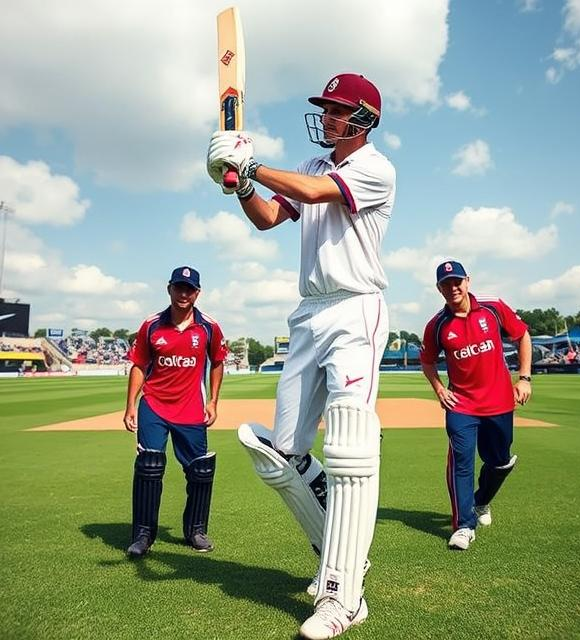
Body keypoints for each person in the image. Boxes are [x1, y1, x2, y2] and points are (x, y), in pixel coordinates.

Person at [206, 73, 395, 639]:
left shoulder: (375, 168)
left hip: (356, 307)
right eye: (326, 108)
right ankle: (342, 553)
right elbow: (268, 217)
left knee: (349, 444)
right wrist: (240, 184)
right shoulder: (311, 168)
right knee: (280, 455)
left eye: (338, 109)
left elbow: (317, 195)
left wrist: (251, 161)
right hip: (309, 314)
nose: (328, 117)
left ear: (364, 118)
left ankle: (342, 597)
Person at [420, 260, 532, 550]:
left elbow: (522, 336)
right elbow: (427, 360)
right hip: (462, 406)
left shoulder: (493, 308)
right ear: (439, 289)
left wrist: (524, 378)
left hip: (499, 402)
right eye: (446, 284)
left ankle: (482, 501)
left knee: (499, 461)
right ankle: (463, 526)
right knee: (462, 463)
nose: (452, 288)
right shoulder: (437, 325)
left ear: (468, 281)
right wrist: (440, 389)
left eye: (457, 281)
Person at [123, 266, 227, 557]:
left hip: (192, 407)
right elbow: (139, 365)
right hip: (154, 405)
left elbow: (217, 361)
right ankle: (143, 535)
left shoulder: (209, 326)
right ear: (169, 289)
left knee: (200, 472)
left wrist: (213, 401)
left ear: (198, 293)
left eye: (189, 289)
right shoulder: (152, 325)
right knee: (149, 467)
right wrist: (131, 404)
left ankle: (195, 530)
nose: (184, 294)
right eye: (179, 288)